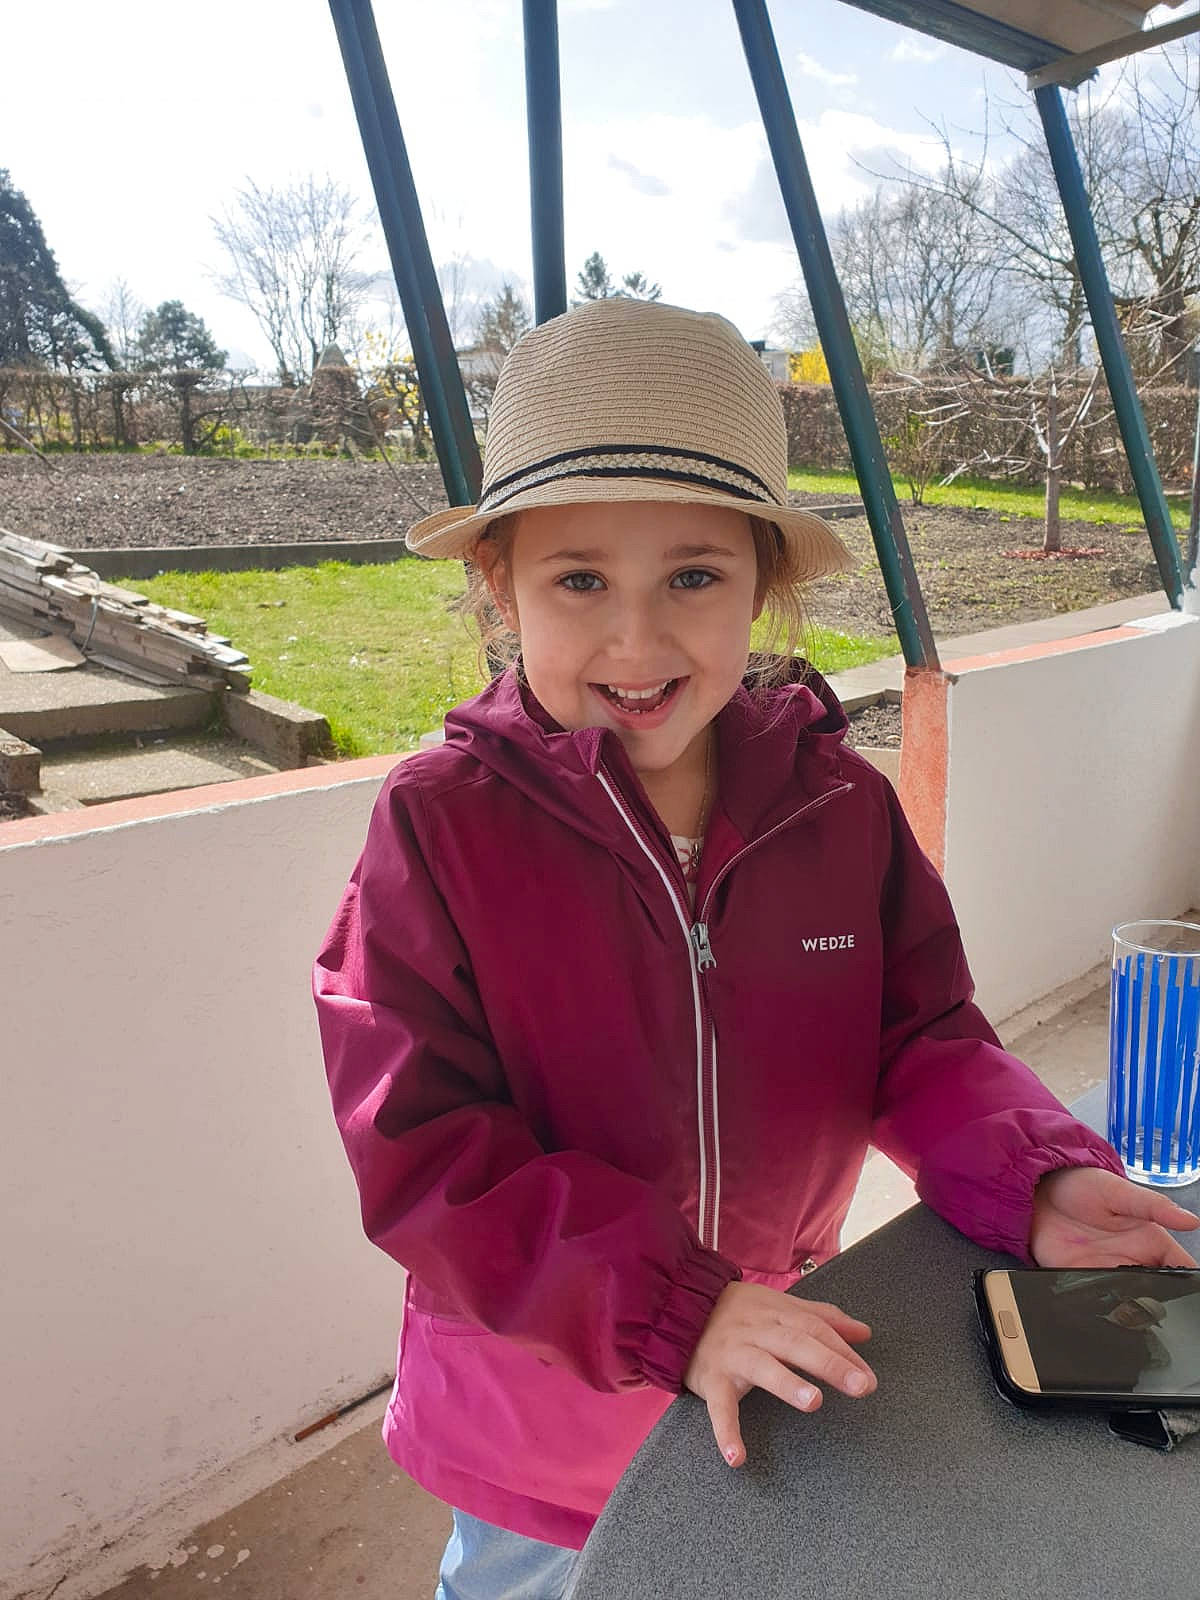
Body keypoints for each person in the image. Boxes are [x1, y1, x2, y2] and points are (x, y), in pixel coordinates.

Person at [313, 298, 1198, 1599]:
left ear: (763, 583)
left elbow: (923, 1039)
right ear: (499, 586)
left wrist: (1036, 1179)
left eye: (692, 575)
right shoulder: (440, 828)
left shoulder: (843, 810)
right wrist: (677, 1307)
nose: (637, 640)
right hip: (537, 1418)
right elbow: (426, 1152)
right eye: (579, 580)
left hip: (768, 1373)